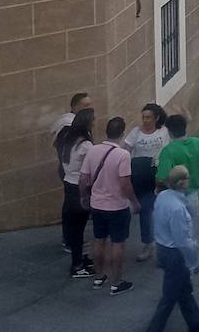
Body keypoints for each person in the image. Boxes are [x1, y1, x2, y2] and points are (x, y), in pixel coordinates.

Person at [145, 166, 199, 332]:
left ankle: (196, 323)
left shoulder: (163, 196)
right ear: (182, 183)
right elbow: (183, 241)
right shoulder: (178, 208)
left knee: (184, 290)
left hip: (163, 248)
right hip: (175, 254)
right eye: (188, 178)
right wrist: (193, 263)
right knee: (170, 296)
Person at [79, 115, 137, 295]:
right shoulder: (123, 155)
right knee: (117, 243)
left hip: (97, 205)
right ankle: (116, 281)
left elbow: (83, 178)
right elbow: (125, 183)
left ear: (106, 131)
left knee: (99, 240)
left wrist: (83, 197)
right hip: (117, 206)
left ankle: (98, 276)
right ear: (122, 132)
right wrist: (134, 202)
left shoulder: (93, 150)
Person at [123, 103, 170, 263]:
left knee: (156, 211)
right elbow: (125, 150)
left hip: (158, 176)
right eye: (143, 117)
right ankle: (148, 243)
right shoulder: (136, 132)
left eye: (148, 117)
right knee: (144, 210)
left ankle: (159, 245)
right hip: (139, 177)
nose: (145, 120)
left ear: (156, 118)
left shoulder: (163, 132)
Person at [156, 114, 199, 218]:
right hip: (192, 196)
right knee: (189, 228)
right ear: (185, 128)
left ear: (169, 131)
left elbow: (161, 178)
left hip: (174, 196)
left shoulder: (167, 151)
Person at [56, 107, 96, 278]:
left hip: (68, 184)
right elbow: (90, 169)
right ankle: (77, 266)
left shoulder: (67, 140)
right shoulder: (85, 145)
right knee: (79, 228)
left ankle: (78, 259)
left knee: (74, 226)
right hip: (80, 187)